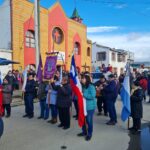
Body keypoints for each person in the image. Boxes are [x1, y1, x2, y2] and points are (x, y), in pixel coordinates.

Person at [78, 75, 96, 141]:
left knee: (89, 121)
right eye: (81, 78)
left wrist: (84, 95)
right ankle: (84, 132)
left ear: (87, 79)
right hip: (83, 106)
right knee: (83, 119)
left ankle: (89, 134)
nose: (82, 79)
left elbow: (92, 96)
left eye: (83, 78)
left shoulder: (91, 87)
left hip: (90, 107)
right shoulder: (83, 86)